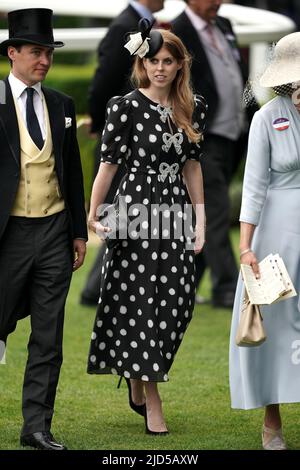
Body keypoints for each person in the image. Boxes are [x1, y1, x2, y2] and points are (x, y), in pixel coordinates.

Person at [87, 21, 206, 434]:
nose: (160, 68)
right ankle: (152, 399)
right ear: (142, 62)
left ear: (179, 66)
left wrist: (201, 220)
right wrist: (94, 211)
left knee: (177, 306)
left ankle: (139, 379)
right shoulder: (123, 106)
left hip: (175, 212)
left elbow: (193, 167)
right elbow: (108, 166)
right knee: (141, 306)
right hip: (134, 212)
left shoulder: (192, 105)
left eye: (168, 61)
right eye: (153, 60)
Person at [0, 8, 87, 450]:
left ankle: (37, 427)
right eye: (36, 52)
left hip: (54, 231)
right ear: (12, 53)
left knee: (48, 336)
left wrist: (78, 231)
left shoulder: (61, 104)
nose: (44, 60)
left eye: (48, 52)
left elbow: (71, 172)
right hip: (7, 235)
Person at [229, 32, 300, 450]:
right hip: (276, 232)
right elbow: (253, 187)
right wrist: (246, 247)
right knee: (275, 321)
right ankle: (272, 419)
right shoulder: (264, 119)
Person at [172, 0, 258, 308]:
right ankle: (226, 290)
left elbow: (242, 79)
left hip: (232, 136)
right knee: (216, 211)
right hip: (201, 138)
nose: (218, 1)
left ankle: (188, 286)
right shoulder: (177, 30)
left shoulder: (225, 27)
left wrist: (252, 115)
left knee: (206, 213)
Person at [80, 0, 165, 307]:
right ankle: (96, 289)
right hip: (125, 138)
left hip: (138, 136)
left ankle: (101, 288)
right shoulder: (123, 25)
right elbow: (105, 78)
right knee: (120, 216)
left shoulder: (141, 22)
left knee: (126, 216)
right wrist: (103, 122)